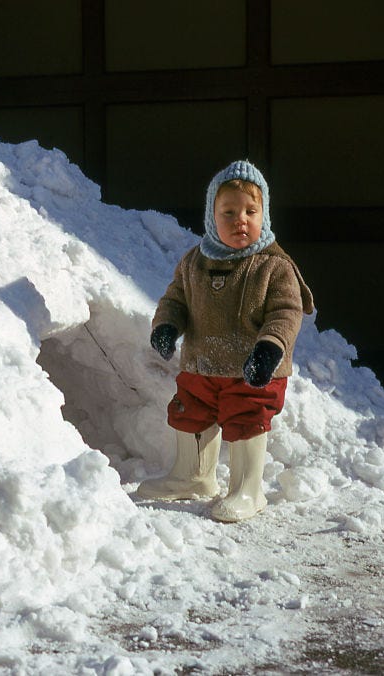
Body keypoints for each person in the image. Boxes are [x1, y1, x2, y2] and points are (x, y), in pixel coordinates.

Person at [137, 160, 314, 522]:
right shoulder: (194, 262)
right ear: (211, 216)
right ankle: (193, 476)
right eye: (228, 212)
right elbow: (175, 300)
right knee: (190, 414)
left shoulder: (274, 266)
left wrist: (270, 348)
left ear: (264, 215)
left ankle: (248, 490)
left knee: (246, 419)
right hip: (201, 365)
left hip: (253, 369)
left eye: (251, 211)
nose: (240, 220)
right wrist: (166, 326)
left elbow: (286, 312)